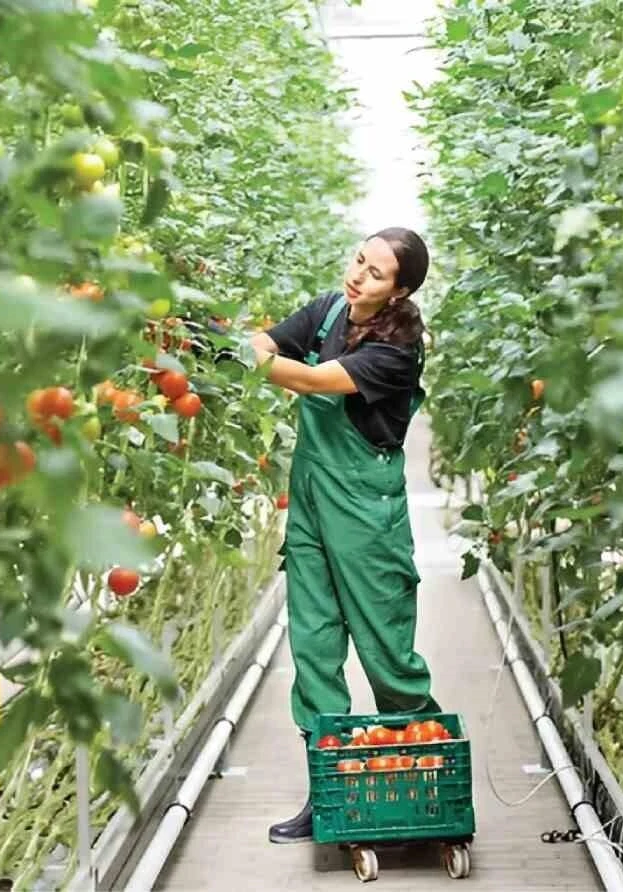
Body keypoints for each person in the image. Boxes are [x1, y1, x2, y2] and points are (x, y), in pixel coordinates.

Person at [247, 227, 440, 845]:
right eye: (360, 260)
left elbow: (308, 379)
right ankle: (329, 794)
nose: (358, 275)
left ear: (399, 290)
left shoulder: (397, 349)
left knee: (387, 655)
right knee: (314, 647)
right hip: (310, 506)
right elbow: (270, 340)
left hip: (364, 513)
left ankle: (422, 789)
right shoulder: (327, 310)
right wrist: (251, 344)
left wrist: (250, 357)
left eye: (376, 273)